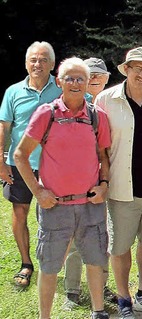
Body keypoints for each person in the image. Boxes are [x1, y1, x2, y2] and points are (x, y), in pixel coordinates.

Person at [14, 57, 111, 319]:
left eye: (81, 78)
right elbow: (20, 155)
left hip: (90, 205)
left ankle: (98, 311)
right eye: (70, 78)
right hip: (55, 206)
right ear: (59, 82)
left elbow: (103, 156)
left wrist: (103, 185)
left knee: (95, 261)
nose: (76, 83)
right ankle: (45, 316)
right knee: (49, 266)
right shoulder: (47, 113)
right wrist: (38, 192)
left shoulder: (96, 116)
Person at [94, 47, 142, 319]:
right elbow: (98, 147)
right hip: (121, 187)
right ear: (126, 69)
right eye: (136, 68)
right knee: (120, 246)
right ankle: (124, 297)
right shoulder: (105, 100)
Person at [0, 41, 60, 290]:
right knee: (20, 212)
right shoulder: (13, 92)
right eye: (33, 59)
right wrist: (1, 162)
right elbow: (4, 127)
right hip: (19, 164)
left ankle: (52, 263)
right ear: (26, 63)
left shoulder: (62, 87)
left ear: (53, 64)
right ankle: (26, 263)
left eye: (44, 59)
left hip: (55, 166)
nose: (38, 64)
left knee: (54, 216)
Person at [63, 56, 114, 310]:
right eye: (89, 75)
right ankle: (71, 290)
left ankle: (101, 287)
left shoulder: (111, 103)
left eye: (98, 76)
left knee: (100, 238)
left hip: (101, 183)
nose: (94, 80)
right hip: (73, 184)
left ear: (105, 79)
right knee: (73, 238)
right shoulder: (70, 106)